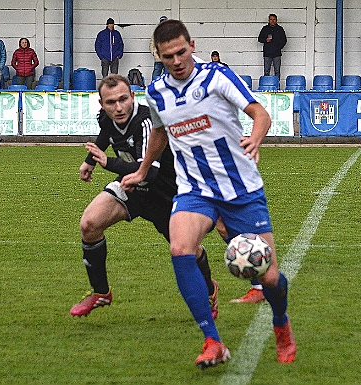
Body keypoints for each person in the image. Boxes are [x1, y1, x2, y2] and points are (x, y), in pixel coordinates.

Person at [121, 19, 296, 368]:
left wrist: (256, 136)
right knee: (180, 248)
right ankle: (212, 340)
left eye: (182, 51)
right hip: (194, 189)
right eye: (168, 55)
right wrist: (142, 169)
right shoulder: (156, 93)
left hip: (240, 189)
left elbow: (259, 113)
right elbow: (159, 133)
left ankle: (280, 323)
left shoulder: (217, 77)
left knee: (270, 275)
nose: (177, 60)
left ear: (192, 45)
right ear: (158, 55)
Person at [70, 74, 219, 320]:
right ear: (101, 103)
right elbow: (105, 134)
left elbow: (148, 173)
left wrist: (107, 162)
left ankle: (209, 291)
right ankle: (101, 292)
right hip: (131, 188)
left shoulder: (146, 121)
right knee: (89, 224)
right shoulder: (108, 118)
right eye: (110, 103)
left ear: (132, 96)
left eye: (122, 100)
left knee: (187, 250)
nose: (118, 108)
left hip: (164, 194)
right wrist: (89, 163)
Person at [258, 14, 287, 81]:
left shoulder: (280, 29)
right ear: (269, 20)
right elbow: (259, 39)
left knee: (277, 72)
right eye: (271, 19)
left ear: (276, 20)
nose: (272, 21)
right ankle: (266, 86)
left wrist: (279, 47)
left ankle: (277, 86)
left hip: (277, 54)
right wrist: (266, 40)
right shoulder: (265, 29)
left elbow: (284, 40)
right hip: (267, 53)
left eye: (274, 19)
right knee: (266, 71)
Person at [150, 16, 168, 81]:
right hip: (158, 57)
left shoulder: (170, 32)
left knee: (167, 74)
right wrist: (154, 53)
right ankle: (153, 87)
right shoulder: (156, 33)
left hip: (167, 57)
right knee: (156, 73)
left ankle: (166, 87)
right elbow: (152, 44)